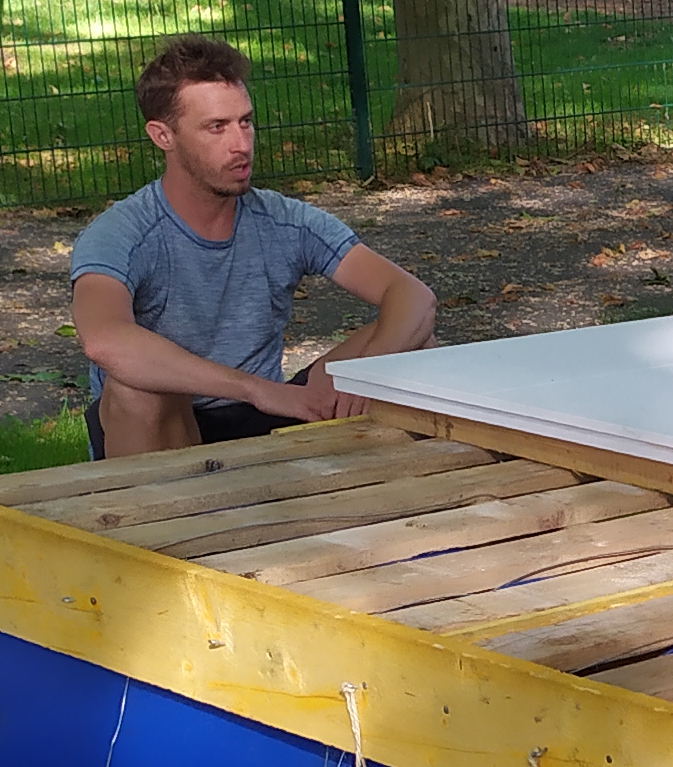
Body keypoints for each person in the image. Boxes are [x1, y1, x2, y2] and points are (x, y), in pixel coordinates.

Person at [69, 34, 440, 460]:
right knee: (136, 390)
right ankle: (149, 525)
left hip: (262, 418)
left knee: (411, 339)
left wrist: (365, 371)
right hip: (173, 422)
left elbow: (413, 296)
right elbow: (104, 340)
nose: (240, 144)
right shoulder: (123, 231)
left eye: (245, 122)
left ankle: (390, 509)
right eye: (216, 127)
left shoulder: (284, 220)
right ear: (163, 136)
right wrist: (257, 389)